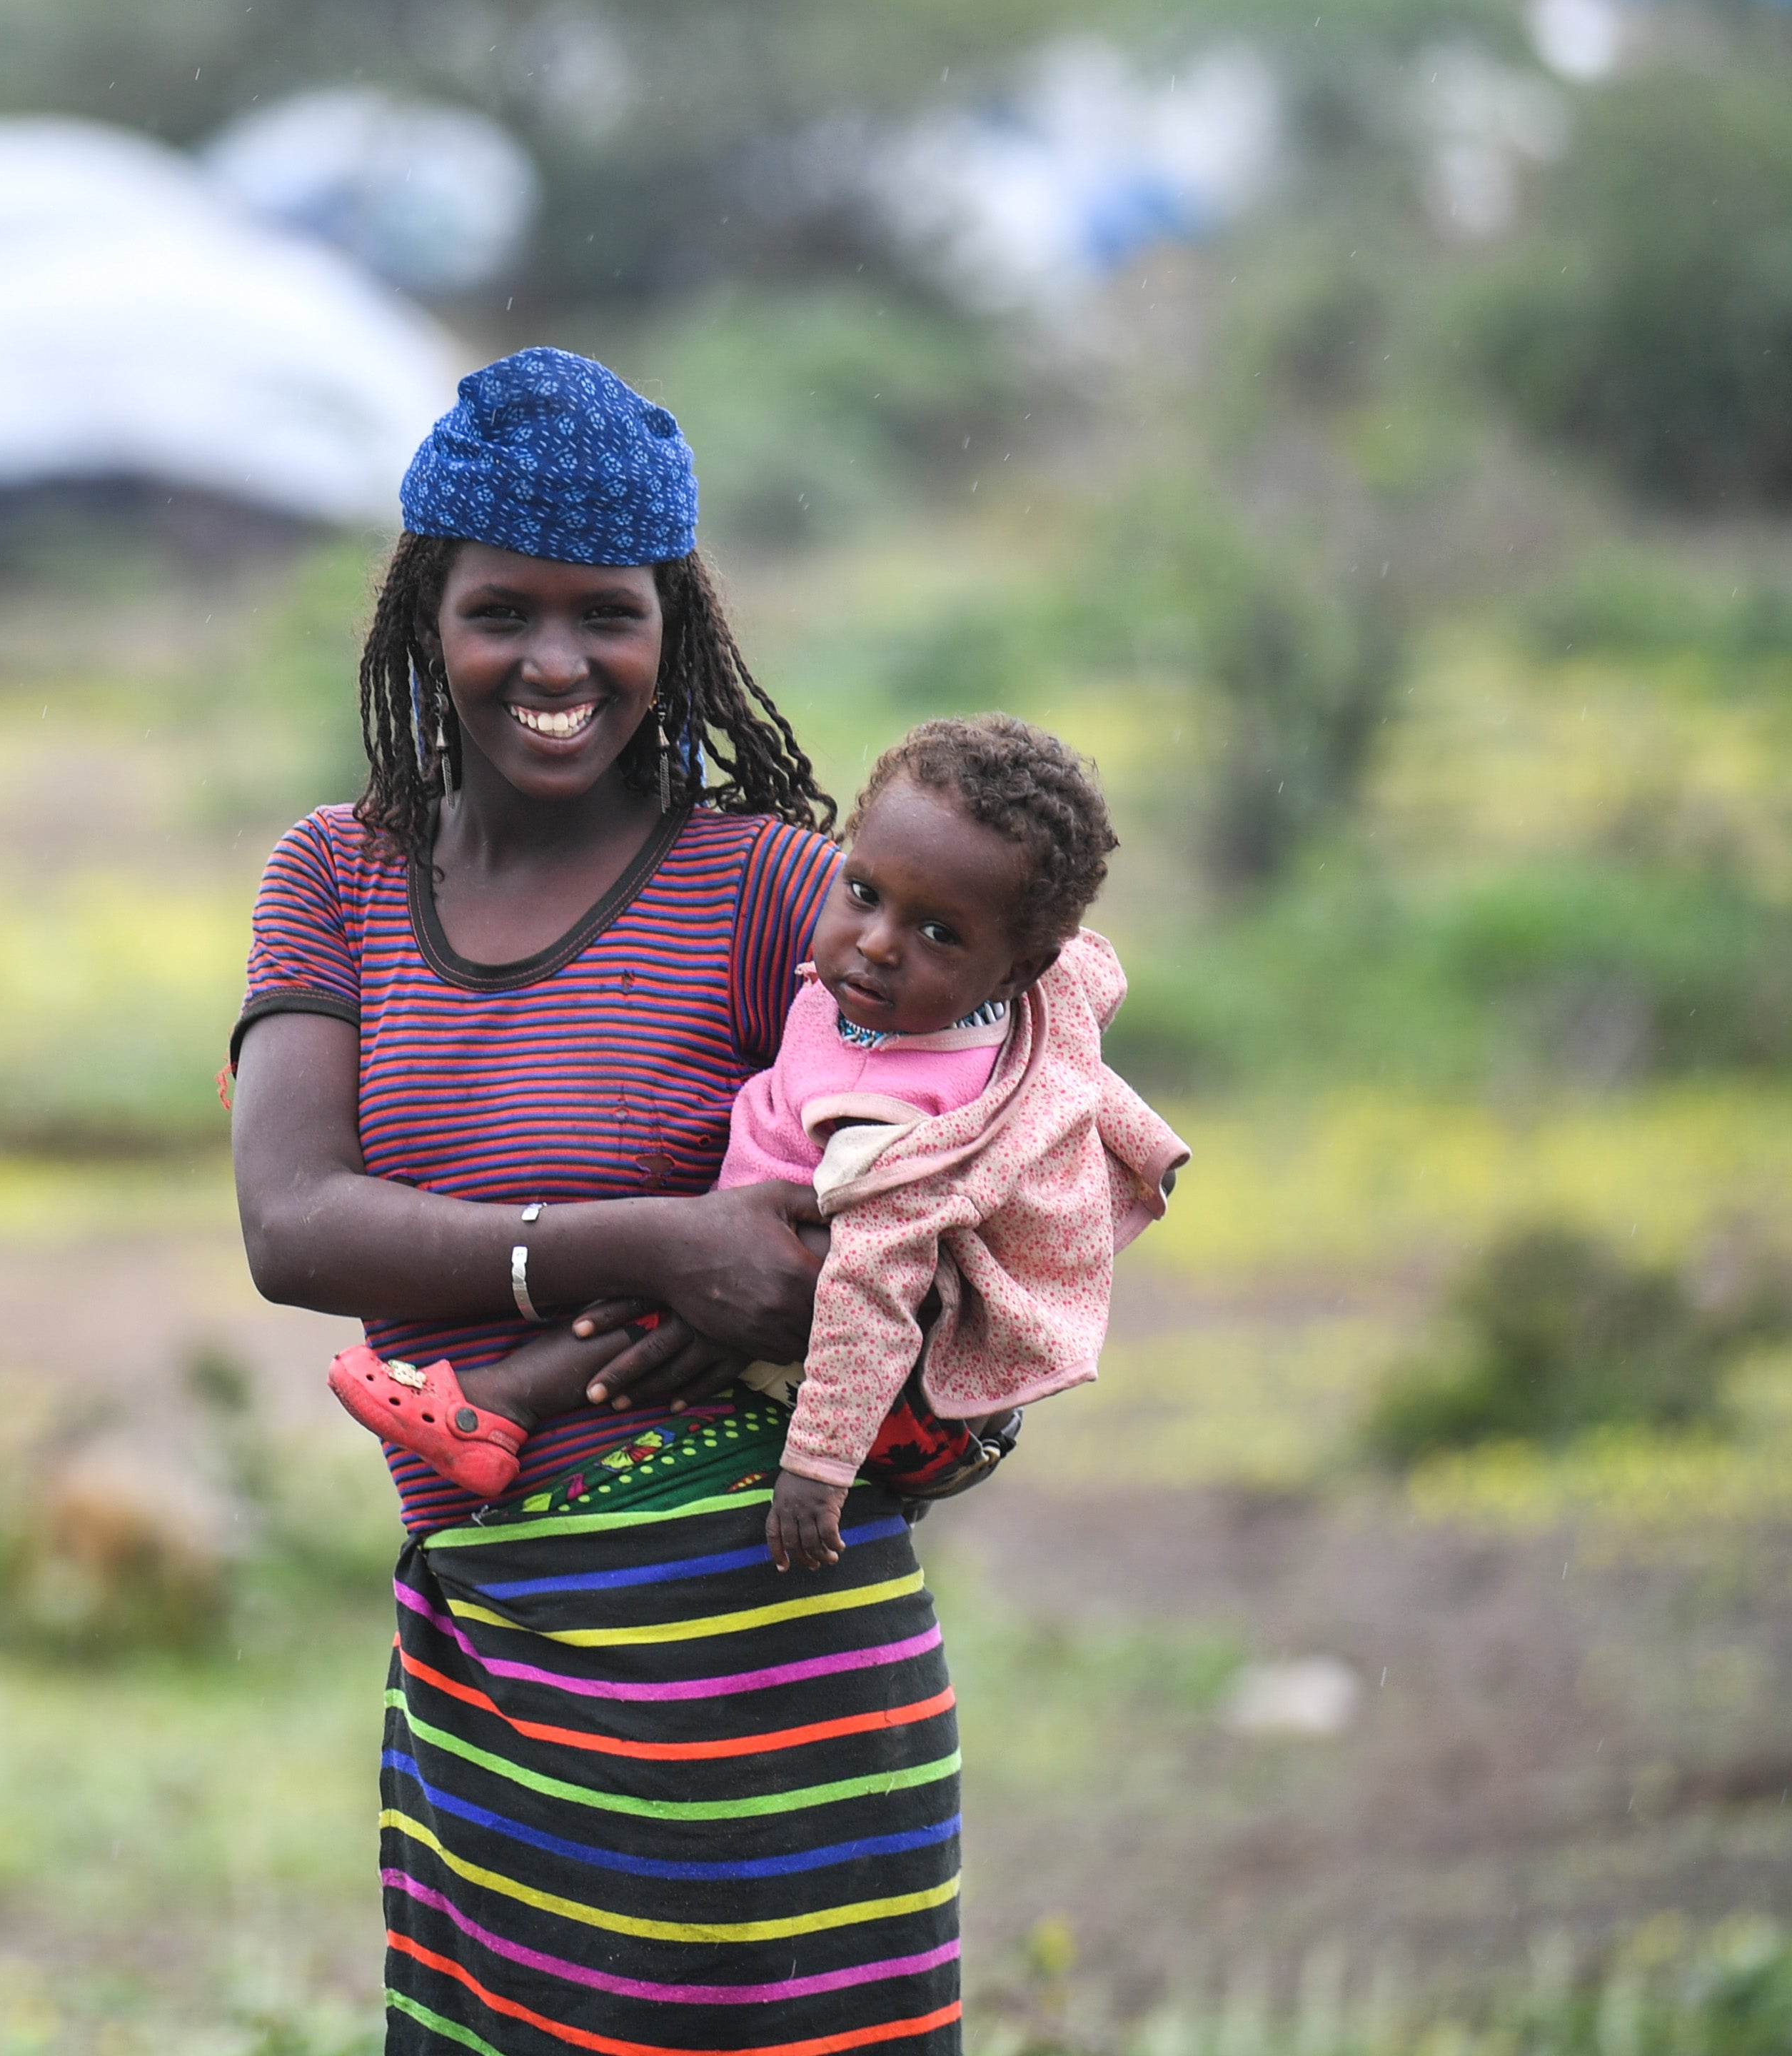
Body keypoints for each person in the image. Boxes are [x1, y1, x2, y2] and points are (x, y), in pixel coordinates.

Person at [229, 346, 960, 2055]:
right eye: (502, 612)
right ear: (427, 616)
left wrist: (782, 1287)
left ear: (673, 629)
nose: (554, 663)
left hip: (786, 1665)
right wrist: (656, 1248)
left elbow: (929, 1186)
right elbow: (290, 1223)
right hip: (505, 1660)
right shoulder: (335, 875)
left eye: (603, 616)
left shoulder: (774, 886)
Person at [332, 712, 1187, 1574]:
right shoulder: (953, 997)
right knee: (682, 1266)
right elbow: (1077, 970)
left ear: (1015, 969)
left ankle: (493, 1404)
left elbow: (870, 1300)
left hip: (835, 1341)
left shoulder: (900, 1125)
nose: (879, 943)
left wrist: (816, 1471)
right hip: (775, 1255)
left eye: (939, 934)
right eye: (863, 892)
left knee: (658, 1301)